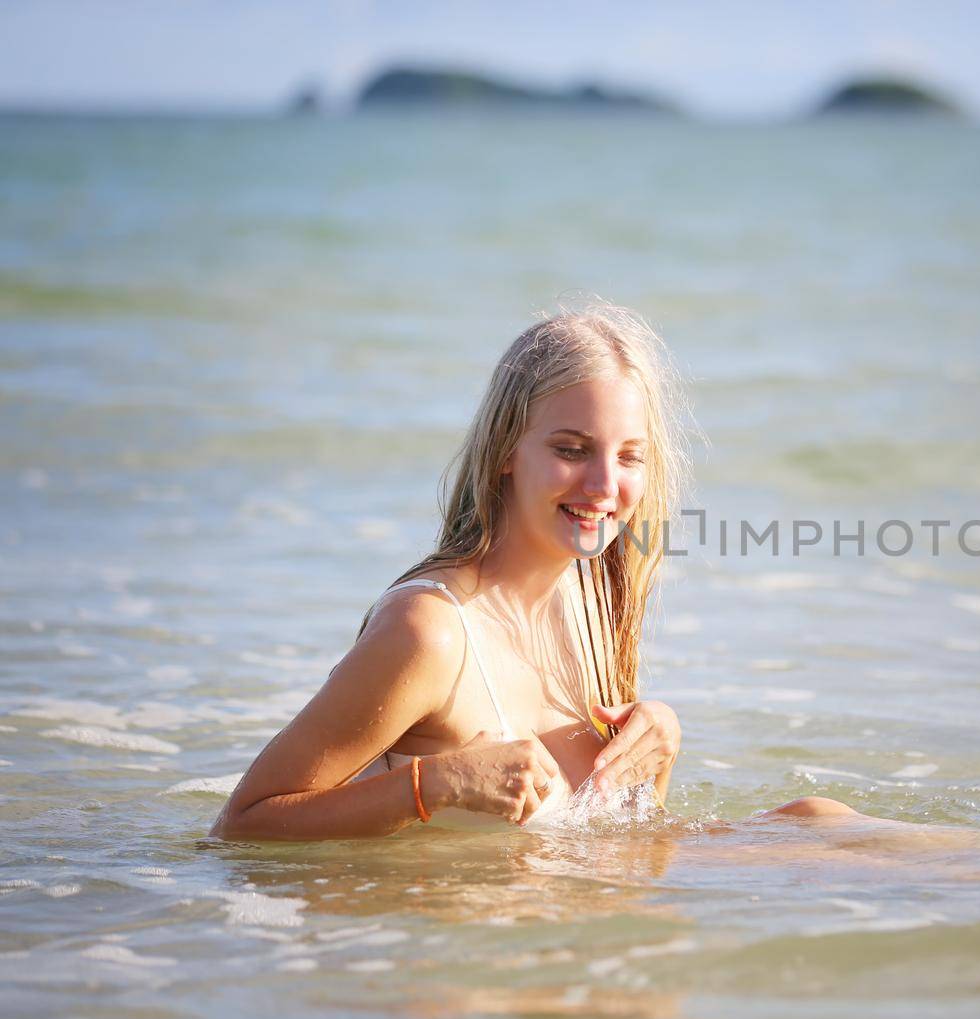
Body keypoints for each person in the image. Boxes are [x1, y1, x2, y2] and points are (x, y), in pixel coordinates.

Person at [212, 303, 856, 840]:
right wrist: (433, 785)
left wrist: (659, 748)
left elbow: (612, 841)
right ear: (504, 453)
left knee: (821, 821)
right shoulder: (431, 633)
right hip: (472, 965)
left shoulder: (591, 593)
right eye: (571, 450)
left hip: (570, 944)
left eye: (629, 457)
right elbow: (240, 826)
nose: (605, 485)